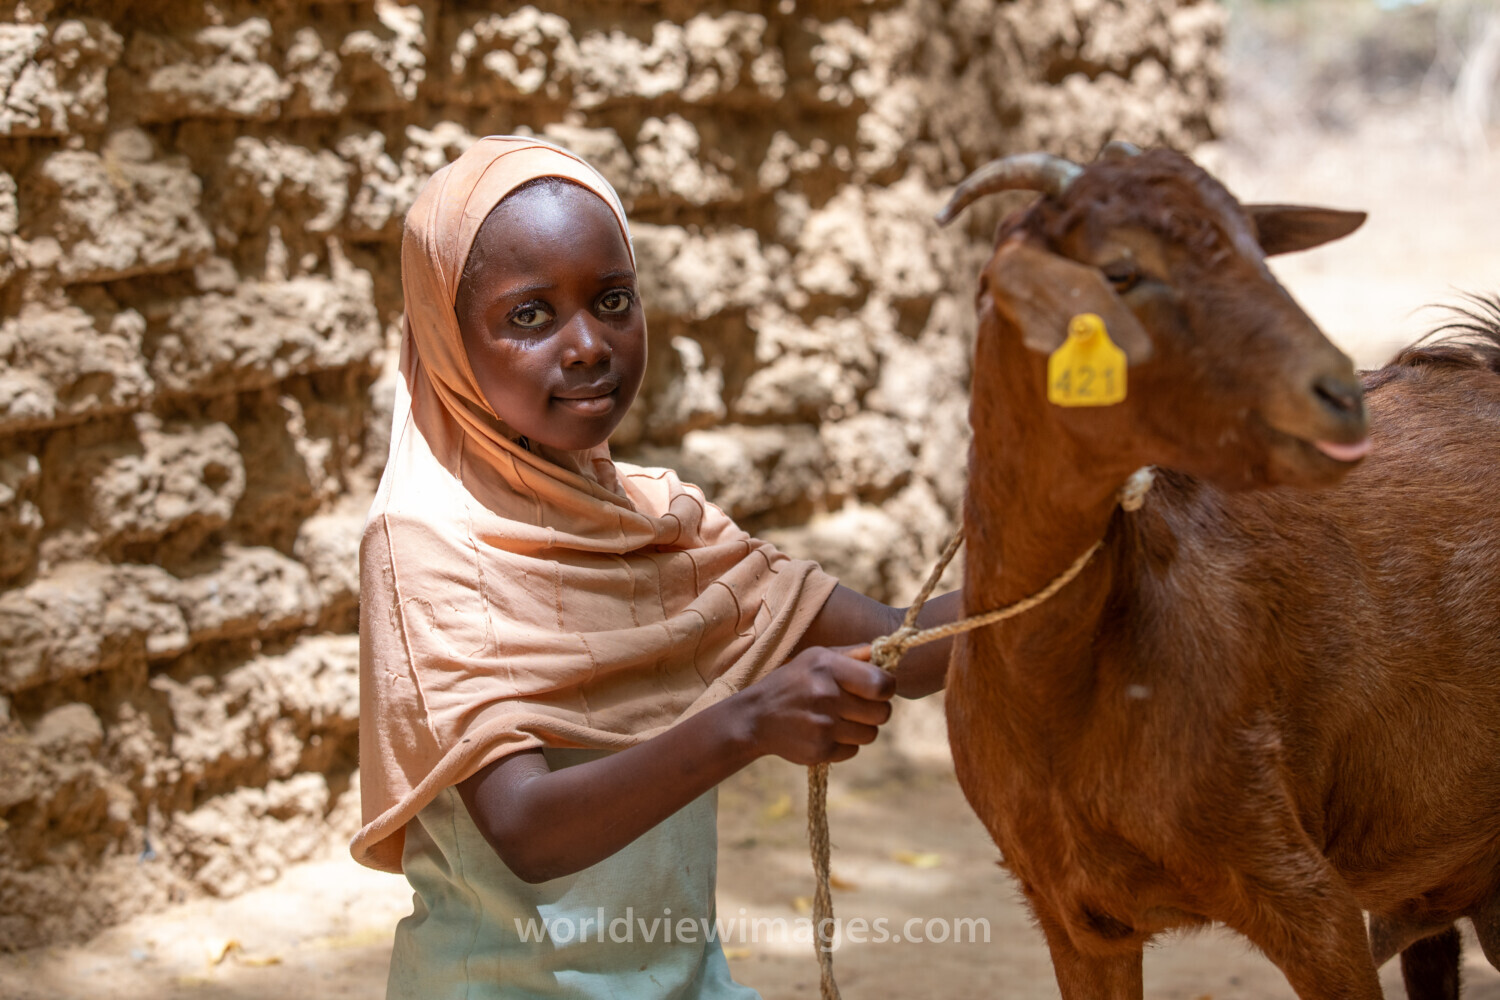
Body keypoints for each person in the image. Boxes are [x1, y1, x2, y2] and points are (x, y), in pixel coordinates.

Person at [352, 135, 960, 999]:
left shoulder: (658, 522)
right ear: (447, 341)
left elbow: (905, 649)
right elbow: (525, 826)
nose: (589, 344)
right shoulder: (425, 540)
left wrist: (1088, 543)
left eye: (613, 300)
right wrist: (747, 724)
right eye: (530, 316)